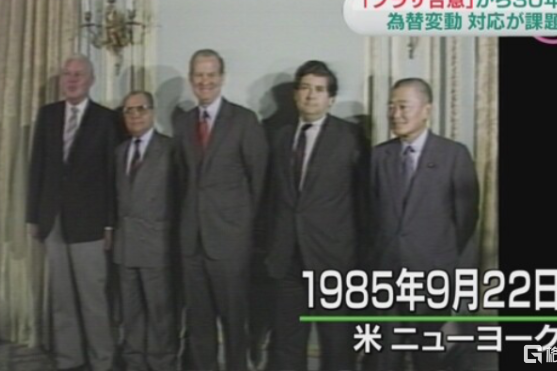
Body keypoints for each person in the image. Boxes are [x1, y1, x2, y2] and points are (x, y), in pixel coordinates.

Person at [369, 78, 479, 371]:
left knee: (429, 359)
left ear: (426, 110)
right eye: (391, 106)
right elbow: (369, 216)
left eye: (403, 106)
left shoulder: (454, 155)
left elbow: (466, 220)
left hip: (433, 279)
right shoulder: (378, 156)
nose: (395, 114)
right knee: (384, 358)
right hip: (387, 276)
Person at [265, 60, 368, 371]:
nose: (311, 95)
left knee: (337, 344)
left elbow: (364, 202)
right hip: (286, 259)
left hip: (333, 260)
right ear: (296, 94)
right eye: (306, 88)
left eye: (320, 90)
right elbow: (271, 198)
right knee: (286, 344)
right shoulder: (279, 136)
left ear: (331, 99)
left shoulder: (350, 137)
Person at [173, 49, 269, 371]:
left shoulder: (244, 120)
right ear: (191, 79)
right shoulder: (183, 123)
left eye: (211, 74)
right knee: (198, 324)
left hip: (230, 242)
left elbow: (259, 181)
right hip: (192, 242)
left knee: (234, 322)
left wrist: (244, 231)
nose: (205, 81)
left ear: (222, 78)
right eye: (199, 75)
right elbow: (182, 181)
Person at [26, 54, 118, 371]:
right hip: (52, 221)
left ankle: (102, 361)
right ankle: (69, 358)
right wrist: (33, 216)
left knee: (93, 299)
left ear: (91, 80)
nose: (72, 79)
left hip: (90, 225)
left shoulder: (106, 119)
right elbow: (37, 167)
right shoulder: (48, 114)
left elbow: (112, 176)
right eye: (67, 73)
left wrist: (110, 225)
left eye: (79, 74)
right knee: (62, 298)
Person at [113, 91, 179, 371]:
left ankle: (162, 363)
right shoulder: (120, 152)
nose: (135, 115)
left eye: (141, 109)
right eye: (128, 111)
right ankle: (134, 362)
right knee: (131, 312)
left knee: (160, 313)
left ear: (152, 112)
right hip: (126, 246)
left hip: (157, 246)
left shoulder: (170, 149)